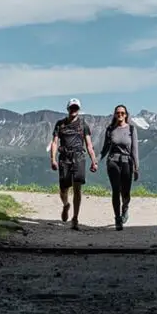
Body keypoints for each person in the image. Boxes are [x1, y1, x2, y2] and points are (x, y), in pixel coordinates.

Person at [49, 98, 97, 230]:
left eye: (76, 108)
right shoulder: (60, 124)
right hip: (64, 158)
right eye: (72, 108)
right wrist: (52, 159)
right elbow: (54, 142)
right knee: (64, 189)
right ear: (68, 109)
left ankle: (75, 218)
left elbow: (89, 144)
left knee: (77, 188)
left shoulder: (83, 125)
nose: (74, 110)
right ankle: (66, 205)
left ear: (79, 109)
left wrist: (94, 160)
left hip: (79, 157)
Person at [100, 104, 140, 231]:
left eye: (122, 113)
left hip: (127, 161)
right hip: (113, 161)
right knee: (116, 190)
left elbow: (134, 150)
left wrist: (136, 167)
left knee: (126, 192)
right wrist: (96, 160)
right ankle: (117, 218)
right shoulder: (110, 129)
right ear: (115, 115)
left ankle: (125, 208)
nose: (120, 115)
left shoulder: (132, 129)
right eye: (118, 113)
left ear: (126, 115)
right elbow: (105, 149)